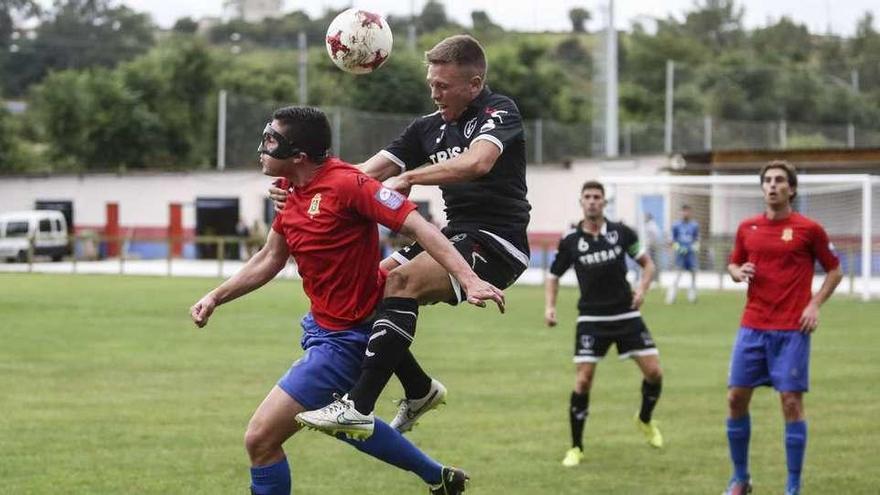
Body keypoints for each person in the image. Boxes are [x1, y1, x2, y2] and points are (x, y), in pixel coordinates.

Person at [190, 106, 504, 495]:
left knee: (260, 440)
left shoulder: (349, 185)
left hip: (347, 341)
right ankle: (438, 477)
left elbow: (419, 226)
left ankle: (423, 405)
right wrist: (216, 296)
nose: (262, 147)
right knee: (341, 425)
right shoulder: (292, 190)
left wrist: (469, 279)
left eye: (271, 140)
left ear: (299, 155)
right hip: (320, 328)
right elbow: (271, 258)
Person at [284, 34, 531, 438]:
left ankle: (358, 406)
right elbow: (363, 174)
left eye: (443, 86)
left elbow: (478, 162)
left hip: (498, 241)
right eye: (431, 84)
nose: (434, 94)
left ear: (474, 83)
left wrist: (411, 175)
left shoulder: (498, 111)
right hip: (455, 234)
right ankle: (419, 390)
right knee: (368, 290)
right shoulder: (426, 129)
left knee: (401, 281)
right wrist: (302, 182)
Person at [723, 161, 842, 495]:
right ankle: (740, 479)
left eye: (779, 181)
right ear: (762, 188)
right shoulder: (747, 228)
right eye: (768, 181)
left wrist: (814, 303)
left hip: (791, 330)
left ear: (792, 189)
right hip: (752, 327)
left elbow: (835, 270)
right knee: (735, 399)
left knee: (790, 403)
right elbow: (734, 262)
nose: (773, 185)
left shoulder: (809, 229)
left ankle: (792, 486)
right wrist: (735, 271)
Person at [544, 181, 664, 468]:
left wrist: (642, 291)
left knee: (655, 373)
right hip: (591, 318)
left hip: (626, 314)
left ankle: (645, 419)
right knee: (583, 381)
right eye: (588, 197)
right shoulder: (571, 240)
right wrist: (550, 307)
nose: (593, 201)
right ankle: (576, 447)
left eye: (597, 197)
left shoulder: (622, 233)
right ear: (581, 202)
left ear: (604, 202)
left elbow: (648, 265)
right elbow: (553, 275)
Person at [666, 204, 699, 304]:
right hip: (680, 255)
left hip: (691, 254)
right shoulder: (676, 225)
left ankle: (692, 295)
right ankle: (671, 296)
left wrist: (694, 247)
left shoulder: (694, 225)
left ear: (690, 213)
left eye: (688, 211)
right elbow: (671, 241)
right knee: (678, 274)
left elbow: (696, 239)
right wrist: (678, 248)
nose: (686, 213)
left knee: (693, 273)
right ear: (681, 212)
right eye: (684, 211)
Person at [643, 212, 662, 282]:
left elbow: (655, 237)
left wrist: (650, 245)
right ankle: (654, 278)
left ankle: (655, 278)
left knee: (652, 263)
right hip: (652, 247)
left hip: (652, 248)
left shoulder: (651, 226)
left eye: (645, 217)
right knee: (653, 263)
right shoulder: (650, 225)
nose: (644, 219)